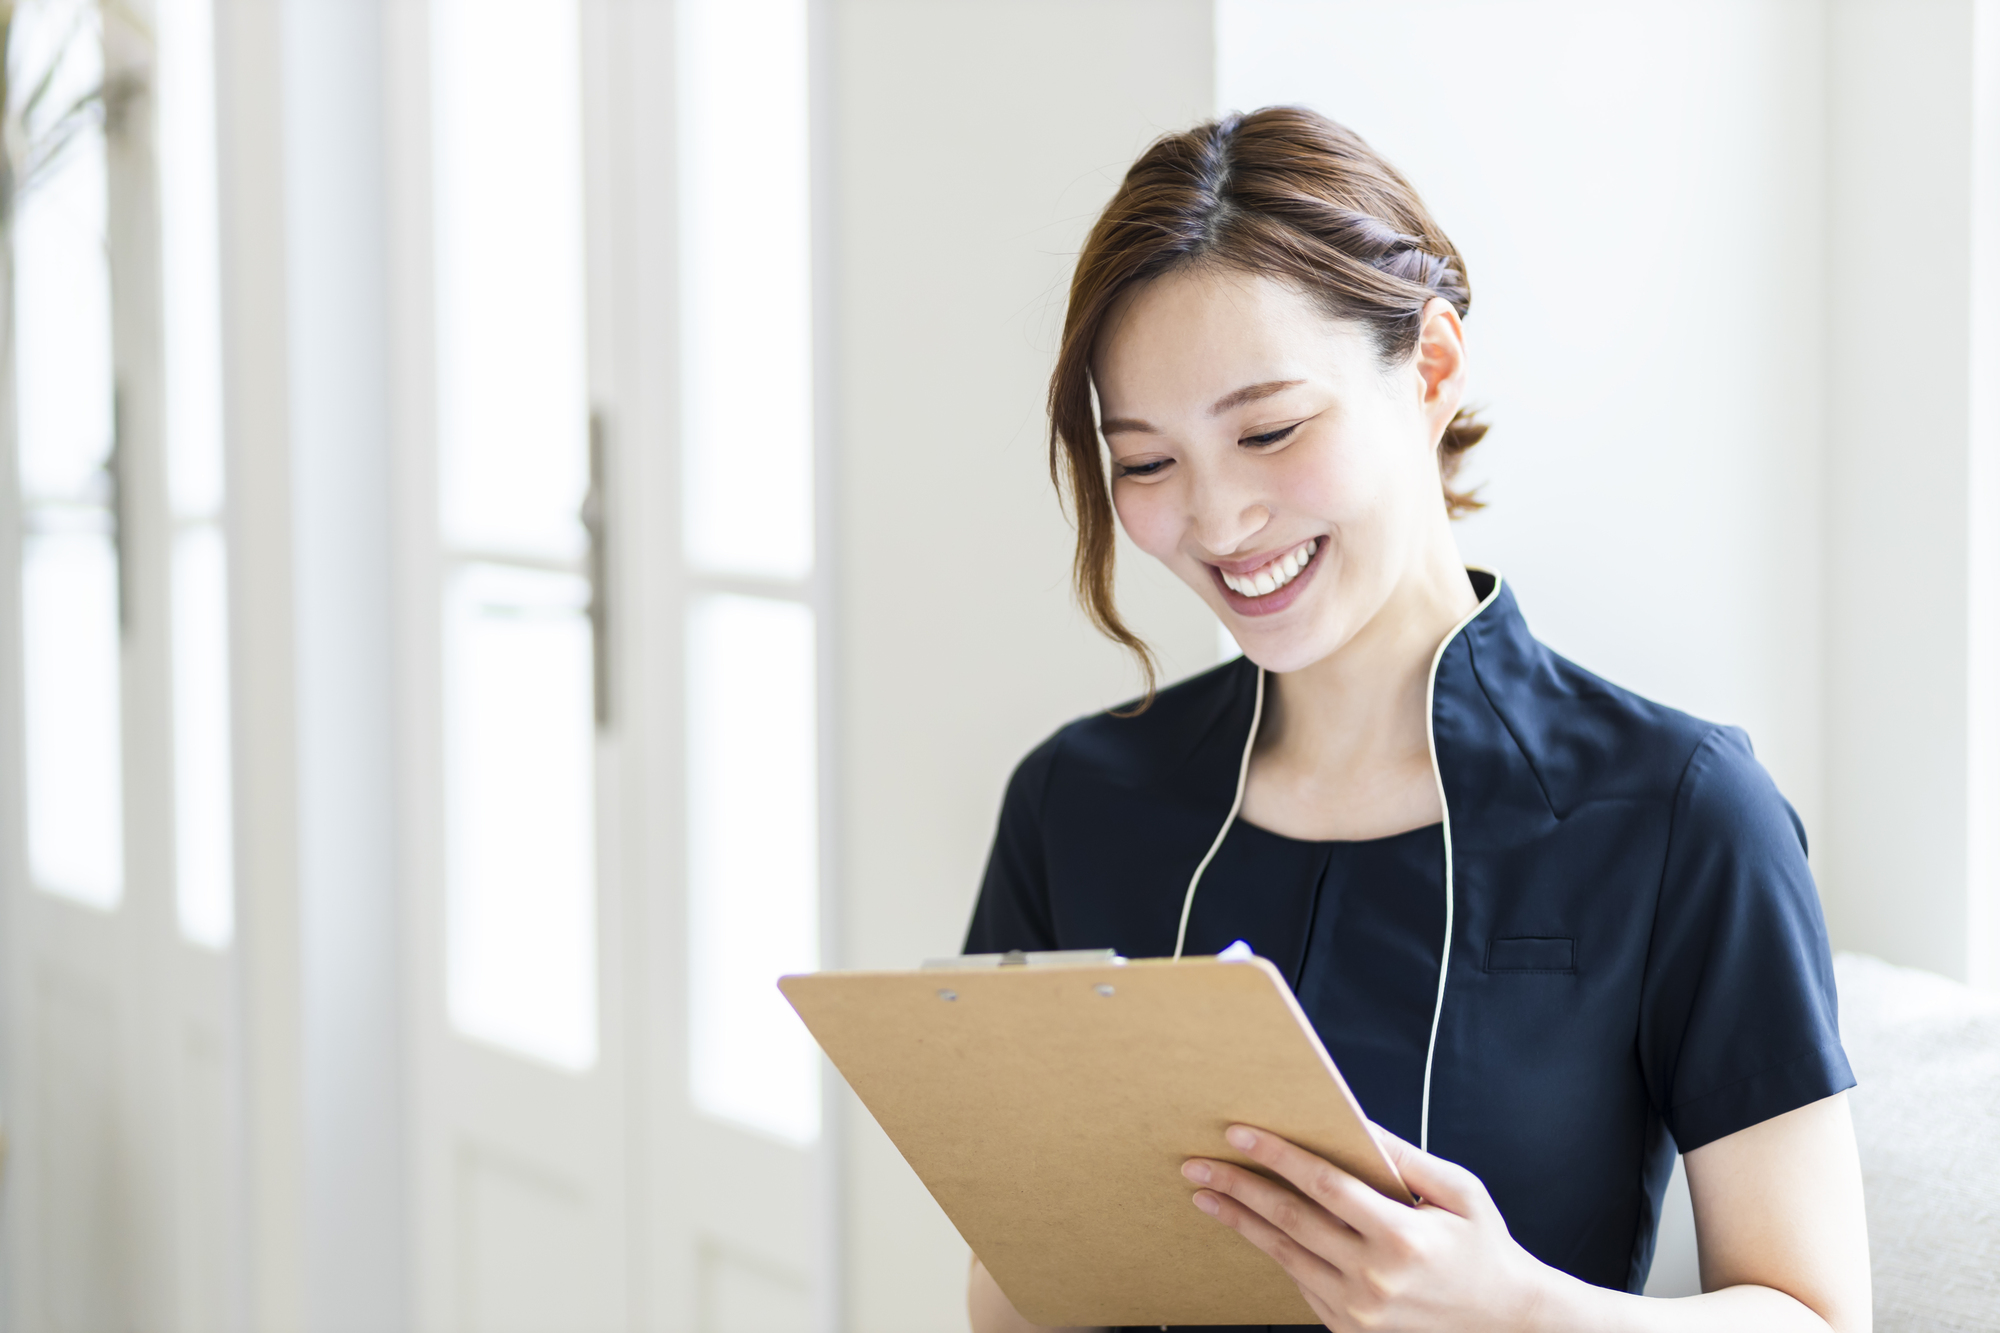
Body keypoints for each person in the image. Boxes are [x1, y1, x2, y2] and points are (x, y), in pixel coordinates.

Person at [962, 108, 1870, 1333]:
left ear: (1431, 368)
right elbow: (1008, 1300)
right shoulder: (1074, 801)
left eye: (1269, 430)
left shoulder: (1681, 813)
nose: (1219, 519)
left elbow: (1817, 1317)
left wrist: (1518, 1312)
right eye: (1145, 461)